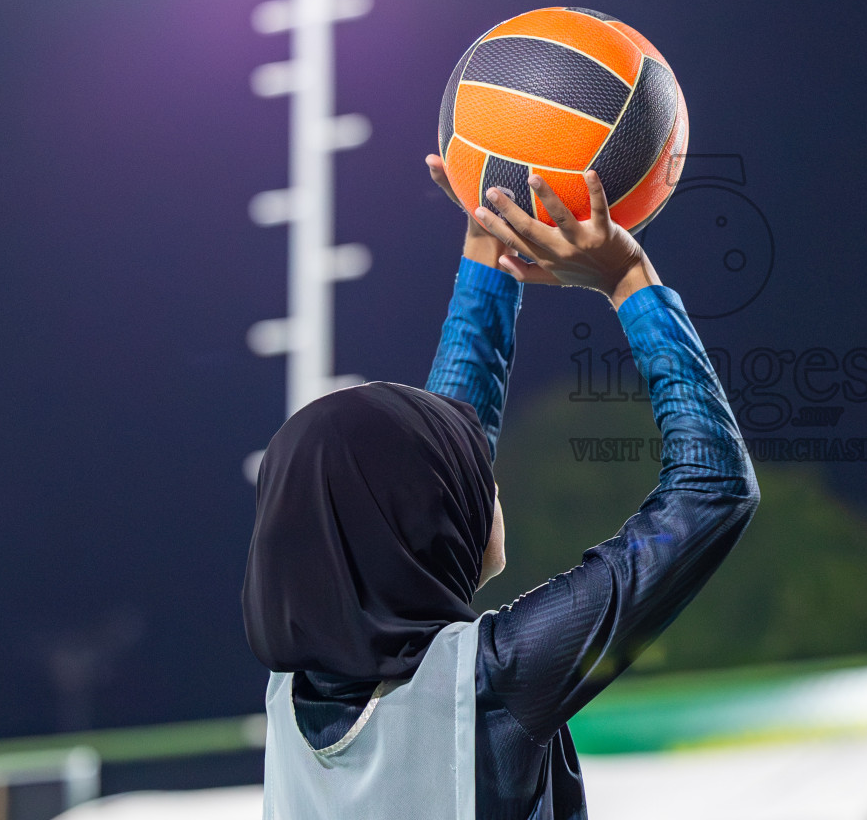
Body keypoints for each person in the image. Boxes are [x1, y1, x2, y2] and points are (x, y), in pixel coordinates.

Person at [243, 161, 759, 819]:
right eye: (461, 486)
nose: (486, 482)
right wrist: (629, 280)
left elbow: (432, 456)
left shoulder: (290, 697)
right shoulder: (492, 683)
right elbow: (711, 489)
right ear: (424, 535)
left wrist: (490, 260)